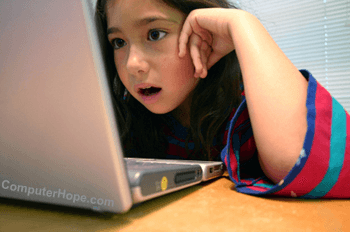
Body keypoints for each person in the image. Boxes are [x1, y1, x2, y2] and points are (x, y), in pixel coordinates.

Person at [96, 0, 350, 198]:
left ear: (203, 32)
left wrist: (242, 25)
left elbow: (298, 162)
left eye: (155, 34)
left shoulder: (250, 101)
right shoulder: (123, 119)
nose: (132, 64)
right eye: (118, 42)